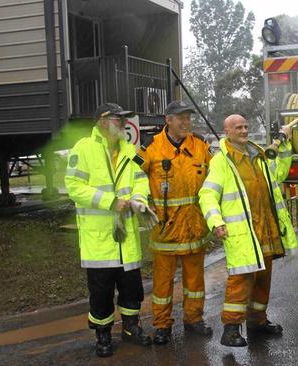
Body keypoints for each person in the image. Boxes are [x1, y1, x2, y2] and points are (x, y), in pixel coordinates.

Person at [199, 114, 298, 347]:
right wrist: (216, 221)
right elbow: (207, 194)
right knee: (241, 281)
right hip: (243, 233)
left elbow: (279, 173)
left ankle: (258, 322)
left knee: (264, 279)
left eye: (245, 126)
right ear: (227, 132)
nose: (243, 130)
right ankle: (230, 329)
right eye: (238, 127)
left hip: (266, 229)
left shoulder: (258, 155)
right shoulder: (222, 161)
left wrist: (285, 145)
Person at [64, 102, 153, 357]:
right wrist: (111, 202)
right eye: (118, 118)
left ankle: (130, 328)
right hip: (99, 238)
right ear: (103, 121)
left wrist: (140, 201)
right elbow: (74, 186)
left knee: (132, 288)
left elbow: (140, 180)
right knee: (101, 292)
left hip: (127, 237)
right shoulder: (83, 149)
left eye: (124, 119)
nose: (124, 123)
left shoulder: (131, 151)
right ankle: (102, 335)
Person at [133, 100, 213, 345]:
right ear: (167, 120)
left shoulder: (201, 146)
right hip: (165, 228)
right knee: (163, 283)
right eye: (180, 118)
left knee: (195, 281)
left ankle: (194, 319)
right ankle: (162, 325)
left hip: (194, 227)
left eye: (188, 117)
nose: (186, 122)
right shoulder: (149, 148)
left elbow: (215, 178)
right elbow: (134, 176)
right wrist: (141, 201)